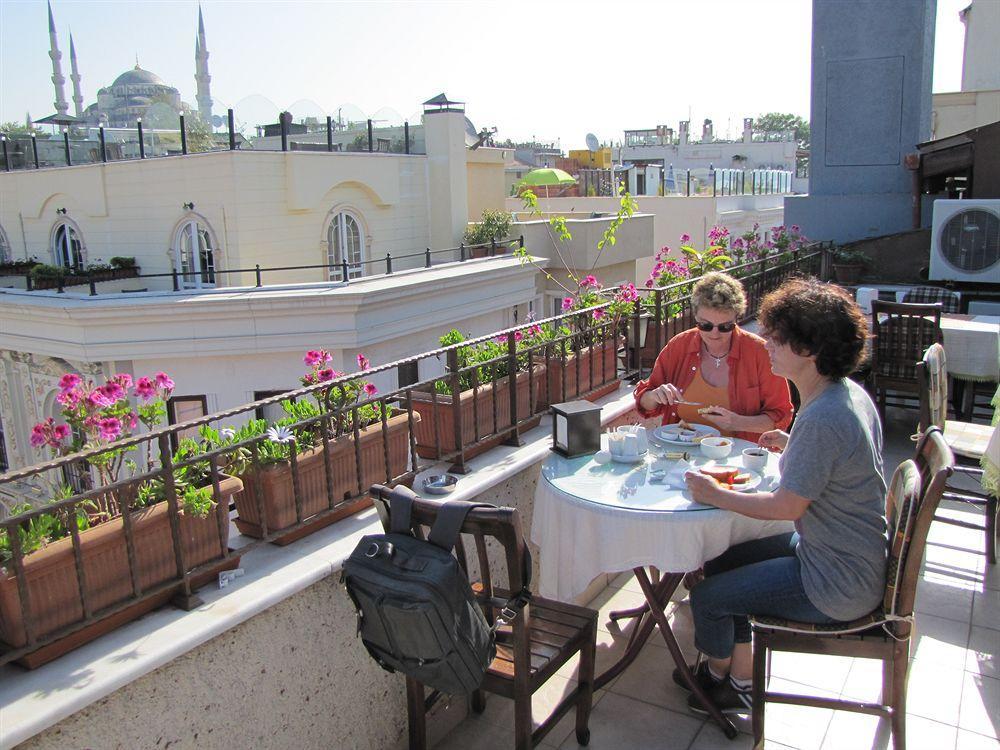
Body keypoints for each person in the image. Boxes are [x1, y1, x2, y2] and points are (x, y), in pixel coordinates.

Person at [679, 278, 887, 714]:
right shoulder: (845, 395)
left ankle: (718, 678)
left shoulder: (824, 417)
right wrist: (790, 443)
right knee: (720, 557)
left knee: (708, 597)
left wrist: (714, 493)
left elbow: (785, 507)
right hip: (840, 552)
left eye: (777, 338)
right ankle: (738, 673)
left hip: (835, 581)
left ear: (809, 349)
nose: (767, 343)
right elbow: (838, 468)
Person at [634, 271, 792, 442]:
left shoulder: (759, 352)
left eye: (725, 327)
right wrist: (655, 396)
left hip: (738, 457)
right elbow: (644, 403)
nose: (715, 334)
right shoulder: (679, 346)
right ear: (695, 317)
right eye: (706, 325)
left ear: (736, 319)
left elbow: (780, 417)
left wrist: (737, 423)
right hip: (682, 454)